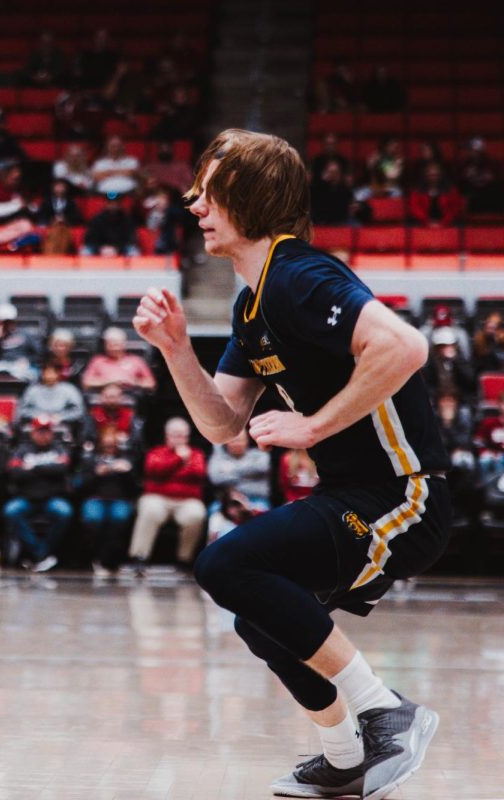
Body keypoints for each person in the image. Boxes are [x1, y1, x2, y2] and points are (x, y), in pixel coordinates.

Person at [133, 128, 449, 799]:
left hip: (403, 494)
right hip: (356, 492)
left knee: (227, 564)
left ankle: (382, 710)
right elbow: (223, 425)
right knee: (261, 613)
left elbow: (405, 346)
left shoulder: (297, 275)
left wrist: (313, 424)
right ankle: (343, 758)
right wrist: (174, 349)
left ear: (250, 195)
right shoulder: (254, 302)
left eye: (209, 190)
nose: (193, 204)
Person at [127, 417, 206, 573]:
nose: (178, 439)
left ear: (187, 437)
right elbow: (154, 471)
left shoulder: (196, 454)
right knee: (150, 510)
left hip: (187, 500)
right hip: (157, 498)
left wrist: (174, 467)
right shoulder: (156, 452)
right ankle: (140, 557)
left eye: (182, 435)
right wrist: (179, 460)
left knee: (196, 514)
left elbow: (198, 473)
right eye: (175, 435)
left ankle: (184, 559)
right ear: (167, 436)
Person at [3, 416, 73, 572]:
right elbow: (14, 472)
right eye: (40, 432)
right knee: (11, 511)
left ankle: (38, 555)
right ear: (33, 433)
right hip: (26, 498)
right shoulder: (22, 449)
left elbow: (62, 468)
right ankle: (41, 554)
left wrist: (33, 467)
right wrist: (47, 469)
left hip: (52, 498)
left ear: (51, 433)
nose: (43, 435)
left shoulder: (59, 448)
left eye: (46, 432)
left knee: (65, 512)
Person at [78, 425, 137, 578]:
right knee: (94, 519)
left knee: (118, 519)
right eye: (106, 444)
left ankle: (110, 561)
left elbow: (135, 486)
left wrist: (127, 472)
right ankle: (94, 558)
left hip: (119, 499)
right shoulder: (91, 460)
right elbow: (81, 485)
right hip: (95, 498)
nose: (109, 448)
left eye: (112, 445)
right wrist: (97, 474)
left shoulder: (126, 459)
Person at [81, 327, 156, 393]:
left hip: (130, 395)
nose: (114, 348)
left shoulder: (136, 360)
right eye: (111, 345)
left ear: (124, 344)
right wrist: (110, 381)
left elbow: (151, 384)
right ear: (105, 345)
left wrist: (134, 382)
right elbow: (86, 383)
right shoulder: (98, 361)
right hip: (104, 397)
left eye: (116, 344)